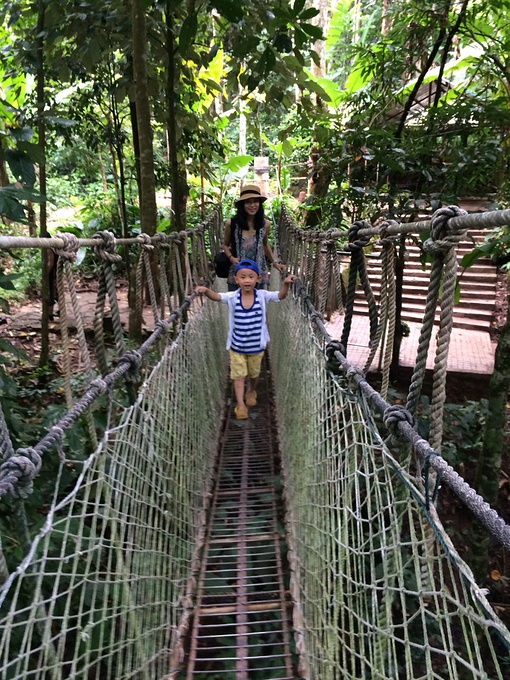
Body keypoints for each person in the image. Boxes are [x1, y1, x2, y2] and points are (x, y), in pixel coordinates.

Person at [196, 258, 295, 420]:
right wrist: (206, 291)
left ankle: (252, 390)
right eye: (242, 277)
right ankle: (240, 405)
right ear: (236, 280)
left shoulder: (262, 296)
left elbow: (280, 296)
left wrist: (285, 284)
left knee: (254, 374)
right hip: (237, 348)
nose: (247, 280)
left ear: (258, 279)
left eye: (250, 276)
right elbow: (217, 296)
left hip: (257, 347)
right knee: (238, 375)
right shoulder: (232, 297)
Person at [222, 184, 286, 290]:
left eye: (255, 201)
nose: (252, 205)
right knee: (236, 305)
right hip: (238, 274)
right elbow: (225, 244)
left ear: (259, 204)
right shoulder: (232, 224)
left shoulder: (265, 224)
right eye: (248, 202)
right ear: (242, 205)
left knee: (258, 305)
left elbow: (264, 245)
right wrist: (231, 258)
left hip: (258, 274)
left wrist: (275, 263)